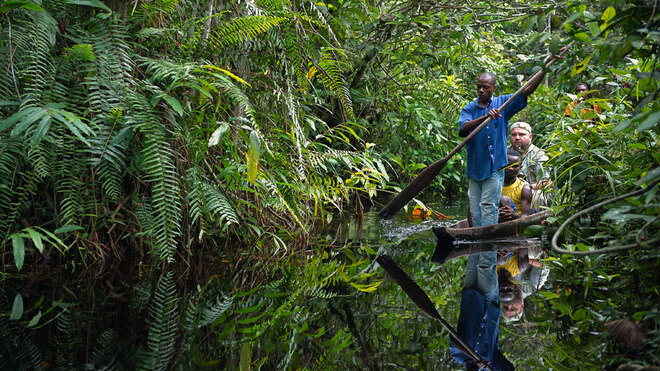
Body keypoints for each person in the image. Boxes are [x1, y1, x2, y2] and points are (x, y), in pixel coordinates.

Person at [459, 70, 546, 230]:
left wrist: (544, 69)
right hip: (475, 167)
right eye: (479, 87)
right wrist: (485, 117)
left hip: (495, 167)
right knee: (474, 208)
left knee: (488, 204)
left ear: (493, 88)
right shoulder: (470, 108)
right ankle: (477, 237)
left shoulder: (503, 104)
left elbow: (526, 90)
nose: (481, 90)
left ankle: (488, 238)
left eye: (485, 87)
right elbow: (463, 130)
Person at [508, 122, 550, 194]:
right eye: (514, 135)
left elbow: (548, 182)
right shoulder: (504, 152)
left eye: (521, 134)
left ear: (530, 137)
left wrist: (527, 186)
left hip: (530, 192)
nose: (517, 138)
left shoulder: (539, 155)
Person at [498, 149, 532, 222]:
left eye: (515, 166)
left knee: (504, 200)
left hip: (513, 222)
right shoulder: (493, 184)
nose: (510, 169)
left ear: (520, 168)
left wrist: (512, 215)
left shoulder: (524, 188)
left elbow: (525, 217)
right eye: (507, 165)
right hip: (495, 217)